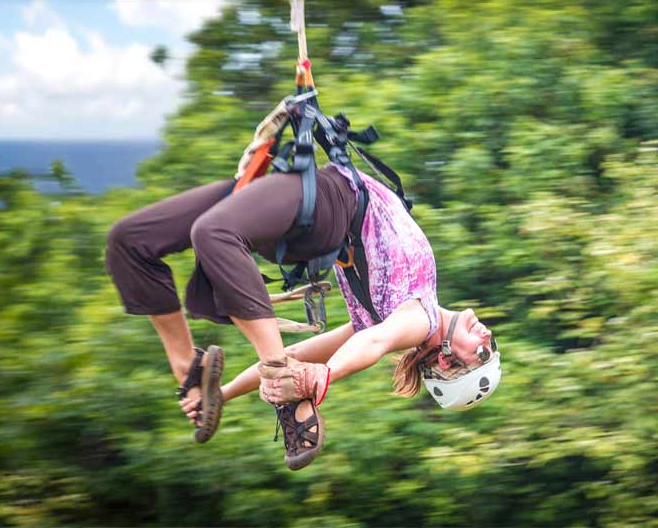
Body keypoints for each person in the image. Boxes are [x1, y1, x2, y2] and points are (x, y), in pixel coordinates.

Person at [105, 160, 500, 471]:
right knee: (130, 241)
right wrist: (221, 394)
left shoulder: (421, 320)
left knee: (213, 234)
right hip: (316, 192)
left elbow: (373, 344)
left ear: (447, 360)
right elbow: (312, 353)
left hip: (328, 203)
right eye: (492, 345)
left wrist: (319, 378)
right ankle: (189, 368)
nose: (486, 337)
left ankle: (265, 381)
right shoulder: (385, 315)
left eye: (481, 353)